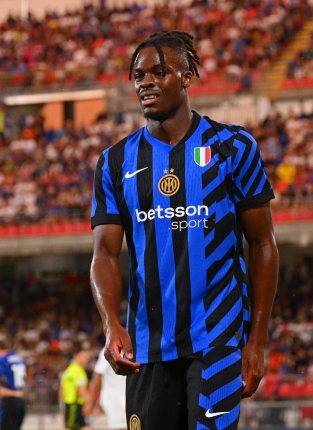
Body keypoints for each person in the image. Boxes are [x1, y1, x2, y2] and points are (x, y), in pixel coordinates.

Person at [90, 31, 280, 430]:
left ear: (187, 76)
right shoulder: (114, 162)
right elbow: (104, 255)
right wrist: (112, 324)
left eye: (160, 72)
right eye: (139, 75)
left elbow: (263, 243)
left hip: (218, 342)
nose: (146, 82)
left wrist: (257, 341)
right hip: (147, 346)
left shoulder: (233, 147)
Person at [88, 352, 126, 430]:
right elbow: (97, 376)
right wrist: (90, 402)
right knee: (121, 427)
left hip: (125, 398)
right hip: (114, 400)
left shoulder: (129, 349)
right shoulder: (108, 350)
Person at [60, 350, 92, 430]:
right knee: (69, 427)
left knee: (82, 426)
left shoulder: (68, 370)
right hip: (74, 403)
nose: (87, 360)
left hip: (69, 402)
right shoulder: (78, 371)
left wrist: (61, 404)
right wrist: (89, 403)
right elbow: (81, 389)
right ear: (78, 356)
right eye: (85, 357)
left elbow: (62, 388)